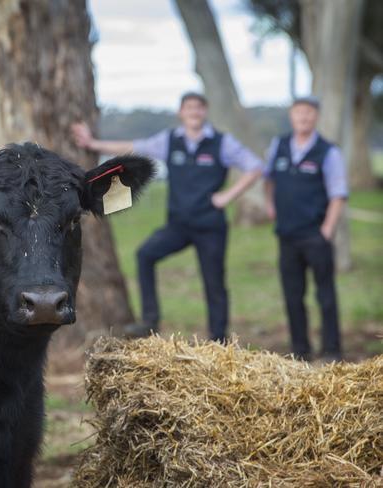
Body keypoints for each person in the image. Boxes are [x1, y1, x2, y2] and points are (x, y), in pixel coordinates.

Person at [71, 92, 262, 341]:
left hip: (211, 226)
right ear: (180, 113)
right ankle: (150, 321)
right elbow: (134, 147)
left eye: (199, 107)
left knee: (214, 283)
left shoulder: (221, 143)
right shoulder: (169, 141)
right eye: (189, 107)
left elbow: (255, 167)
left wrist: (227, 197)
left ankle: (219, 340)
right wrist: (94, 144)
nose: (194, 111)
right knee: (145, 255)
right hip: (179, 225)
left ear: (205, 112)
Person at [264, 96, 347, 362]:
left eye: (309, 113)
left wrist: (327, 229)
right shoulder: (278, 145)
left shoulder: (328, 151)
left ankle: (332, 350)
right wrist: (269, 206)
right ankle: (300, 350)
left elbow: (338, 194)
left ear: (316, 117)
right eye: (299, 112)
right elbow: (268, 180)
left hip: (315, 235)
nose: (304, 117)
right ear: (292, 115)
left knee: (325, 294)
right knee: (292, 295)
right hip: (287, 235)